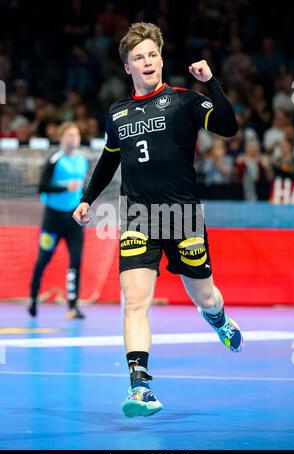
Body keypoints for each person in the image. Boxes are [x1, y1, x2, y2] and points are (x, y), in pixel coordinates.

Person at [73, 22, 244, 418]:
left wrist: (212, 81)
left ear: (162, 59)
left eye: (152, 54)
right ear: (127, 68)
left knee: (206, 297)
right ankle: (141, 387)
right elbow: (109, 158)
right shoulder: (118, 114)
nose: (147, 61)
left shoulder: (185, 101)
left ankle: (218, 319)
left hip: (182, 216)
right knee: (134, 302)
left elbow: (228, 126)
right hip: (137, 217)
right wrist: (87, 198)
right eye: (138, 57)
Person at [28, 122, 89, 320]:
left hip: (73, 219)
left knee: (76, 261)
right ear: (62, 138)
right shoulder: (55, 160)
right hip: (52, 218)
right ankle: (33, 298)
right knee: (43, 260)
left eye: (76, 135)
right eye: (69, 135)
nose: (73, 138)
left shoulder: (83, 160)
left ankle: (73, 307)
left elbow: (83, 187)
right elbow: (42, 187)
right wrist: (64, 187)